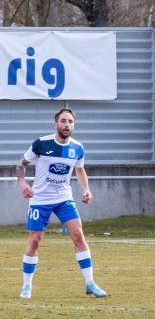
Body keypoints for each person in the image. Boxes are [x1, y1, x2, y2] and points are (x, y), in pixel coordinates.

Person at [16, 107, 105, 299]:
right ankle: (26, 286)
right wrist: (23, 183)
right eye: (63, 121)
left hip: (64, 198)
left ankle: (90, 283)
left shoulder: (77, 148)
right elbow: (21, 164)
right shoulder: (41, 143)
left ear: (74, 125)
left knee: (79, 235)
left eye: (70, 122)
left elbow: (80, 170)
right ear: (56, 124)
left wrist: (86, 189)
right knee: (35, 241)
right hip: (40, 200)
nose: (67, 125)